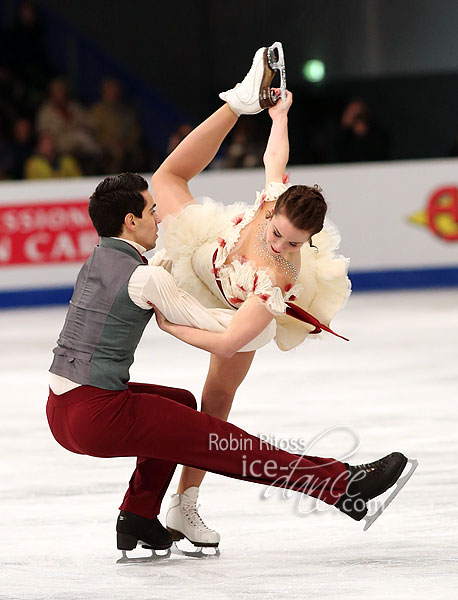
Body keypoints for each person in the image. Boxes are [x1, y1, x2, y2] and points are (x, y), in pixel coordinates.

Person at [47, 171, 415, 560]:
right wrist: (263, 307)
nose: (160, 218)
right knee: (225, 445)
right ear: (131, 221)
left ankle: (138, 516)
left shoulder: (96, 261)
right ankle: (341, 485)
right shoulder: (146, 277)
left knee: (184, 403)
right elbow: (213, 327)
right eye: (153, 210)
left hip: (61, 408)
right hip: (100, 413)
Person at [150, 45, 350, 546]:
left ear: (307, 243)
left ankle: (185, 504)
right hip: (206, 254)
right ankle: (239, 101)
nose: (279, 244)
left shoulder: (278, 278)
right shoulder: (270, 200)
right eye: (278, 233)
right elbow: (274, 156)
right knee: (166, 178)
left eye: (293, 243)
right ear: (276, 206)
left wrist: (169, 321)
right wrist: (277, 114)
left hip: (233, 311)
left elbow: (225, 342)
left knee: (214, 405)